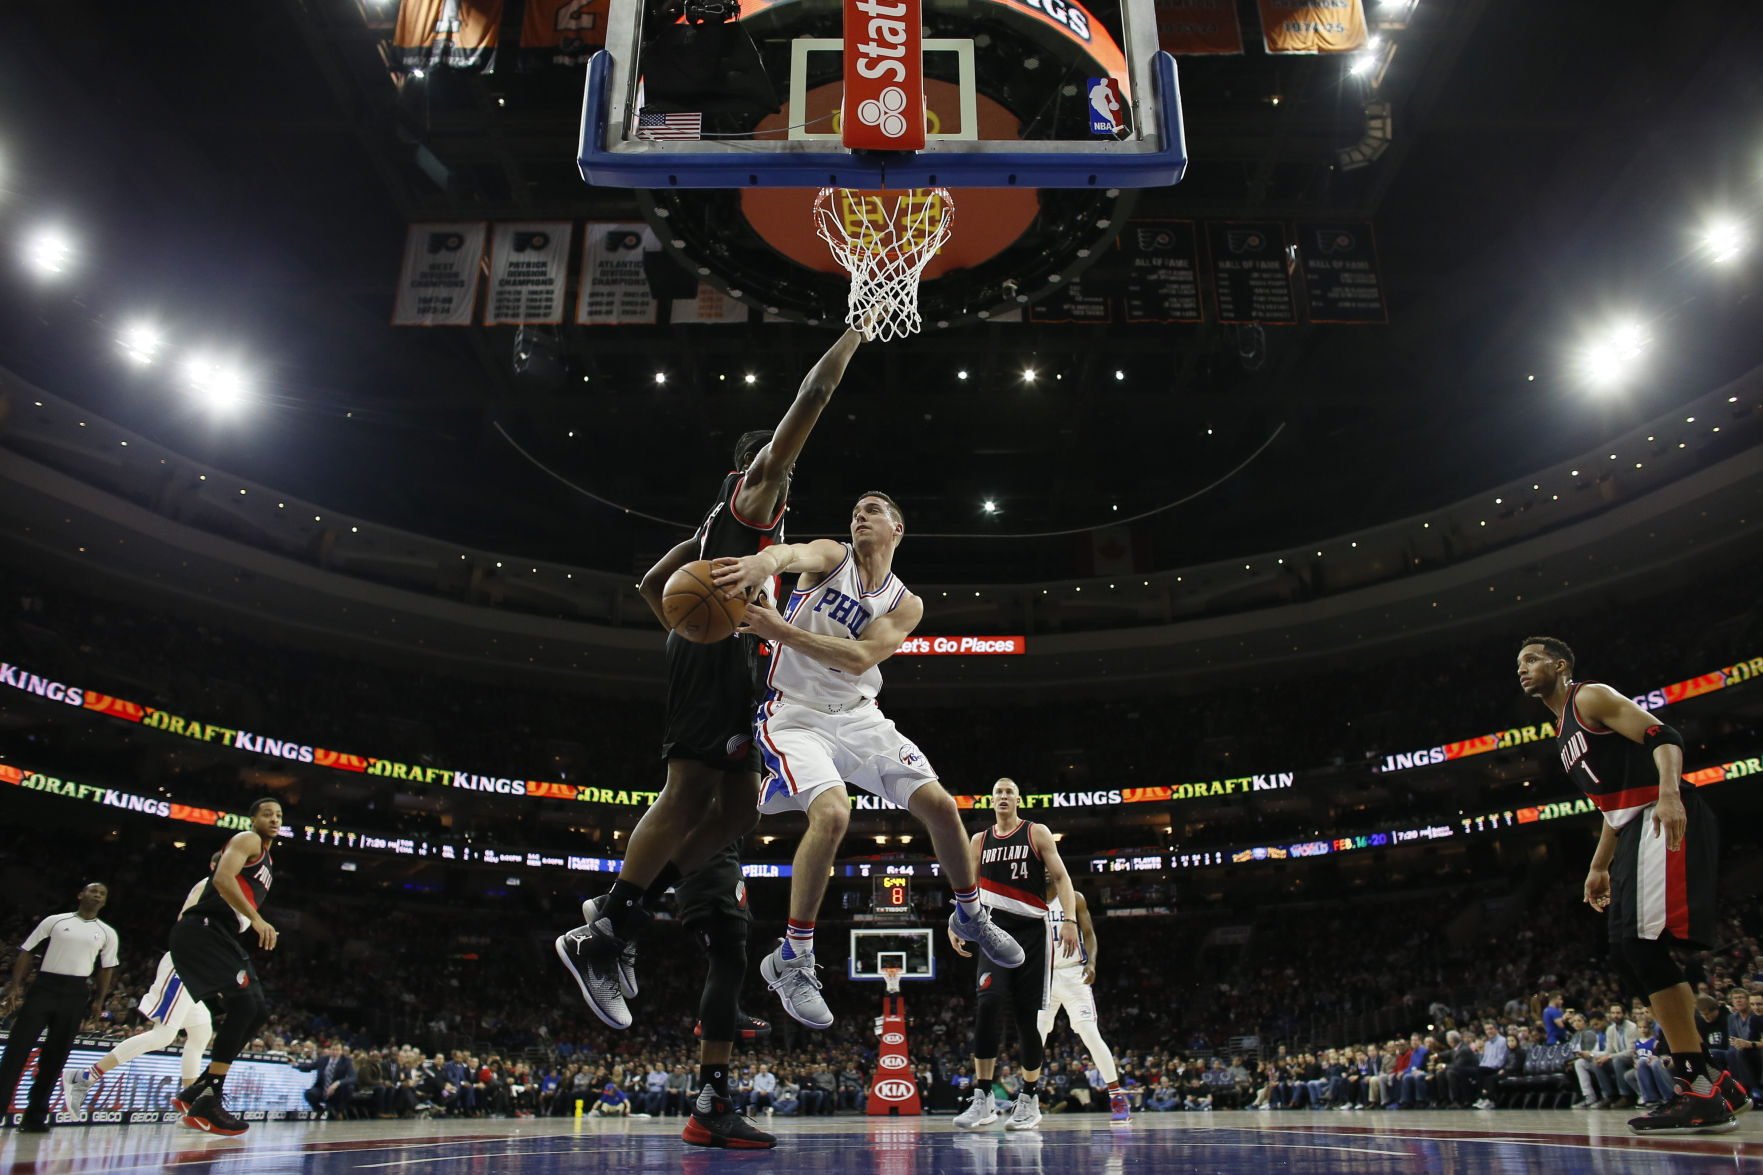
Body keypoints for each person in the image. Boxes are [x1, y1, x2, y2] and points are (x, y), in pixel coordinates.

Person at [557, 328, 869, 1031]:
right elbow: (815, 392)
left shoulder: (724, 529)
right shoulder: (753, 498)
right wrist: (857, 330)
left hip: (720, 656)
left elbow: (649, 584)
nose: (786, 466)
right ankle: (601, 930)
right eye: (778, 458)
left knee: (738, 810)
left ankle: (618, 916)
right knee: (689, 790)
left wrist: (689, 623)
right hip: (715, 657)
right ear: (759, 463)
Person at [709, 495, 1027, 1032]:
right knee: (833, 815)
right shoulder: (834, 557)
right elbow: (790, 555)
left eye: (873, 508)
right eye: (855, 507)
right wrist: (760, 563)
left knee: (943, 808)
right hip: (796, 715)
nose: (859, 513)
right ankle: (794, 957)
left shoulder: (906, 603)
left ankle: (971, 915)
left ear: (897, 528)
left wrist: (778, 629)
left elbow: (859, 658)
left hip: (861, 718)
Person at [1517, 637, 1738, 1134]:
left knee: (1641, 946)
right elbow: (1613, 810)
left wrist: (1669, 795)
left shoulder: (1589, 697)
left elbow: (1665, 736)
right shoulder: (1561, 732)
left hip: (1661, 816)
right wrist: (1598, 866)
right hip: (1633, 825)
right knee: (1623, 951)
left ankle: (1698, 1089)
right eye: (1518, 664)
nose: (1523, 669)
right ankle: (1712, 1082)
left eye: (1531, 660)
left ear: (1560, 664)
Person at [948, 778, 1081, 1132]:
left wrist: (1069, 919)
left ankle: (1029, 1098)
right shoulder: (980, 840)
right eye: (998, 793)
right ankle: (983, 1098)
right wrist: (956, 924)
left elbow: (1063, 878)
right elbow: (967, 887)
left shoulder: (1037, 833)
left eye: (1009, 792)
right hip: (993, 932)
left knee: (1026, 1018)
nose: (1003, 797)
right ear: (991, 802)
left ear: (1018, 799)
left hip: (1032, 933)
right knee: (988, 1002)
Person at [63, 856, 225, 1116]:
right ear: (215, 865)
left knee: (201, 1031)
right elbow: (186, 923)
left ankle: (188, 1106)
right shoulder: (209, 886)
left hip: (196, 970)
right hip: (184, 964)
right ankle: (84, 1076)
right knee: (164, 1035)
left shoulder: (229, 892)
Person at [167, 797, 284, 1136]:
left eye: (278, 815)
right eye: (267, 814)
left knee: (257, 1010)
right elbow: (222, 878)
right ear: (252, 818)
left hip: (220, 934)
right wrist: (258, 919)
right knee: (245, 1005)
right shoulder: (248, 840)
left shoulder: (268, 860)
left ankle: (199, 1090)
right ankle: (209, 1097)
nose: (274, 819)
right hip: (202, 928)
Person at [0, 883, 118, 1133]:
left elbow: (106, 968)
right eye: (92, 890)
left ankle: (35, 1117)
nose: (97, 895)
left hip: (76, 992)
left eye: (102, 893)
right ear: (80, 895)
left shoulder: (107, 933)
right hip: (44, 986)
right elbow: (26, 950)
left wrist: (98, 1001)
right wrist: (16, 986)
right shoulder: (55, 920)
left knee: (55, 1058)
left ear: (104, 902)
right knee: (16, 1051)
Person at [1035, 880, 1130, 1121]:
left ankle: (1117, 1096)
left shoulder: (1074, 897)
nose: (1046, 870)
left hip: (1072, 974)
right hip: (1042, 976)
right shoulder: (1027, 900)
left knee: (1090, 1034)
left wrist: (1092, 963)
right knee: (1034, 1038)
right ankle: (1028, 1099)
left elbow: (1088, 933)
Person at [298, 1042, 358, 1119]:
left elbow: (353, 1078)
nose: (335, 1052)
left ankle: (339, 1111)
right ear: (330, 1050)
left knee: (349, 1088)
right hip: (323, 1089)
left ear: (341, 1051)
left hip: (337, 1092)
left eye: (337, 1050)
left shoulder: (347, 1061)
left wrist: (337, 1083)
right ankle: (319, 1110)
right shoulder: (323, 1059)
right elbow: (309, 1067)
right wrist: (296, 1065)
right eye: (333, 1050)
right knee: (309, 1093)